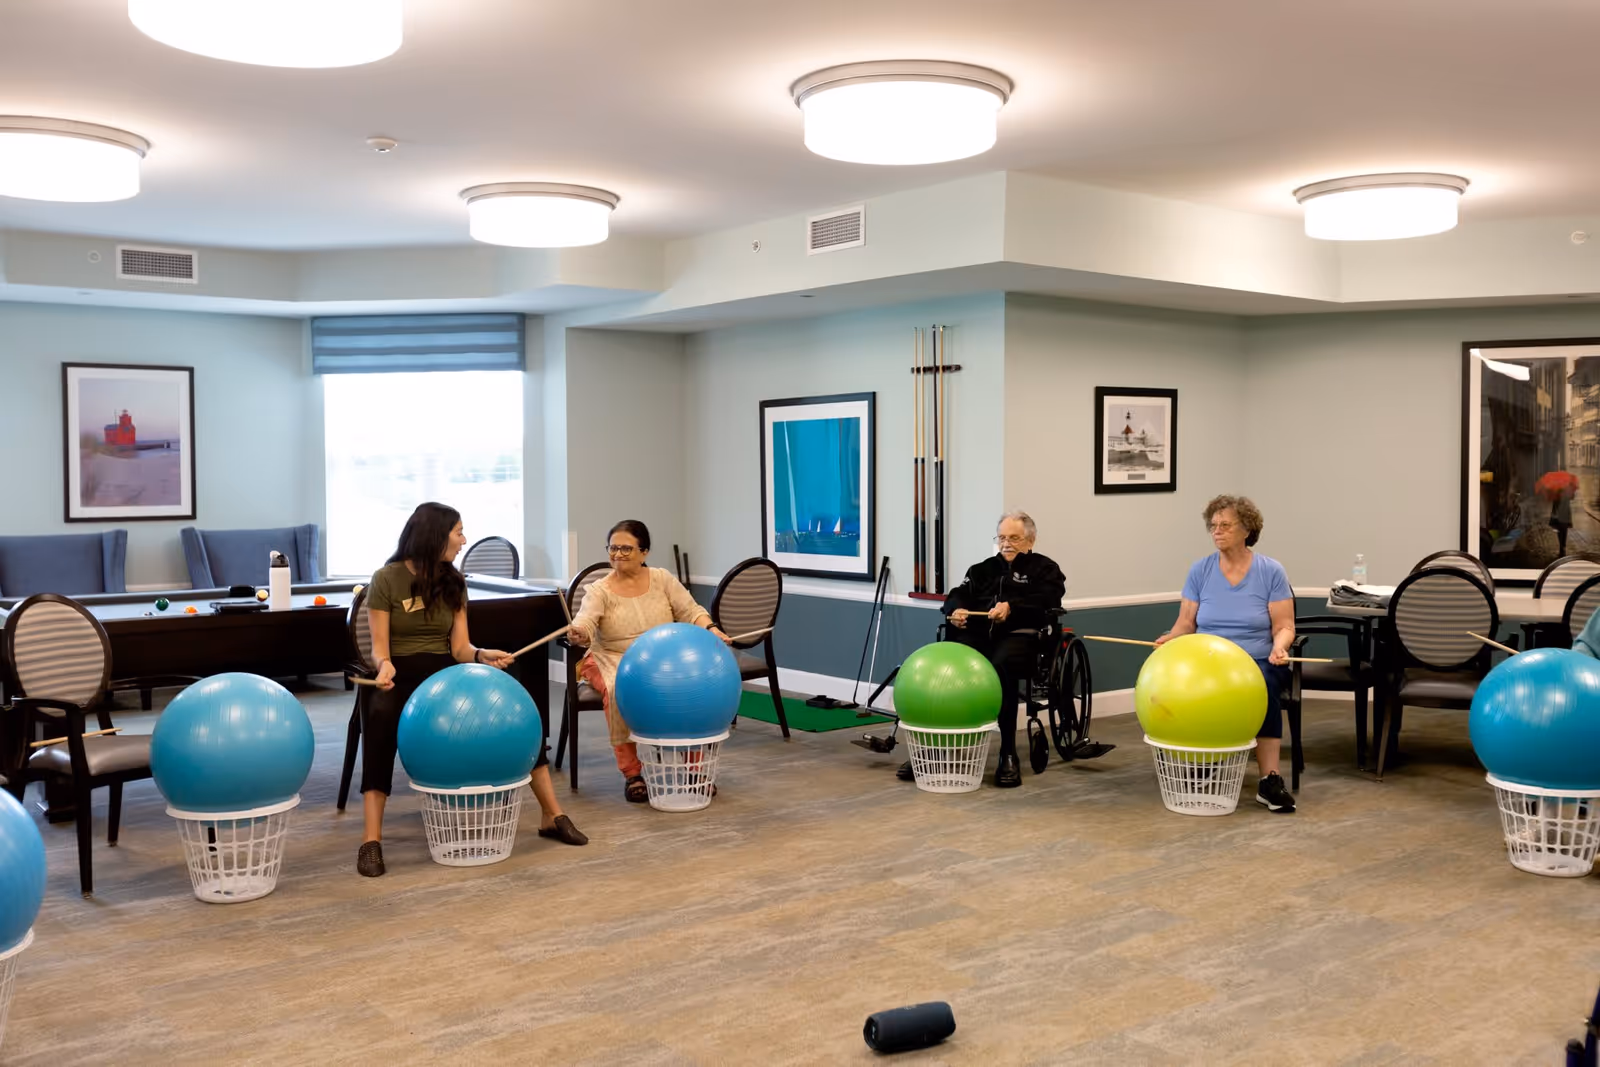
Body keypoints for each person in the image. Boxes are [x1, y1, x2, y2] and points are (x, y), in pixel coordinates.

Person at [361, 502, 586, 877]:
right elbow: (379, 648)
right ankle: (371, 840)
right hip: (398, 672)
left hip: (444, 673)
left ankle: (552, 813)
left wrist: (481, 654)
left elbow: (459, 649)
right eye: (458, 532)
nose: (464, 541)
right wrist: (383, 666)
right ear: (435, 535)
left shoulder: (454, 581)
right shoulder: (386, 578)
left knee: (512, 706)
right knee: (381, 713)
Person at [898, 510, 1066, 788]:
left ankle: (1008, 753)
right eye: (1002, 537)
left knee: (1001, 669)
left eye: (1014, 538)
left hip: (1019, 635)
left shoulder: (1045, 569)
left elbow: (1049, 597)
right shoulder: (982, 569)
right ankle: (935, 749)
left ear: (1030, 539)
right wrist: (956, 610)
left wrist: (1012, 607)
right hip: (978, 636)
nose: (1006, 543)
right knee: (947, 673)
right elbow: (957, 594)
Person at [568, 520, 731, 802]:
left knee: (687, 688)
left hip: (661, 658)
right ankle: (632, 773)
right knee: (618, 687)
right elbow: (586, 621)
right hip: (611, 657)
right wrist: (579, 632)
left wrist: (712, 629)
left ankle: (695, 770)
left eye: (626, 549)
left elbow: (691, 611)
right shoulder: (599, 589)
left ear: (644, 552)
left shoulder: (663, 579)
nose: (617, 554)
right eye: (613, 548)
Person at [1155, 494, 1298, 813]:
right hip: (1208, 665)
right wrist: (1169, 639)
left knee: (1260, 687)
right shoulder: (1200, 570)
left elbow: (1285, 625)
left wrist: (1280, 646)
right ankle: (1206, 761)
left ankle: (1269, 780)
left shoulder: (1270, 571)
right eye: (1213, 525)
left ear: (1247, 529)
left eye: (1225, 525)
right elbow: (1186, 623)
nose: (1217, 531)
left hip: (1258, 661)